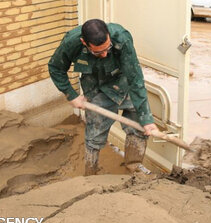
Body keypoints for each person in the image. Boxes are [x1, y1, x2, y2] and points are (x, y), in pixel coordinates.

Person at [48, 19, 159, 176]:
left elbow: (135, 78)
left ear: (109, 36)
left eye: (108, 48)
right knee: (94, 135)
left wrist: (146, 118)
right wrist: (71, 95)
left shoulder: (121, 38)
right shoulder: (71, 42)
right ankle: (91, 174)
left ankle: (133, 169)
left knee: (138, 128)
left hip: (122, 84)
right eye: (98, 52)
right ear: (84, 42)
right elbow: (55, 67)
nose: (105, 54)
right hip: (96, 89)